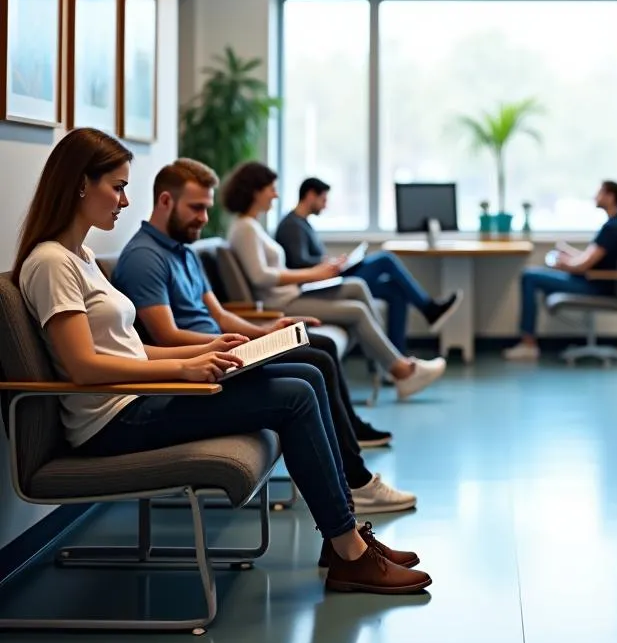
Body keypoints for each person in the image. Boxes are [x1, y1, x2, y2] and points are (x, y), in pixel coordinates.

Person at [15, 128, 432, 594]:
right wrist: (181, 368)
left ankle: (346, 538)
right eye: (118, 186)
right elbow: (84, 366)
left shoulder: (82, 256)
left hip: (140, 400)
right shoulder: (51, 263)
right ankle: (348, 551)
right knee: (293, 396)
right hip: (116, 420)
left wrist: (207, 349)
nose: (125, 201)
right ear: (79, 184)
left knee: (307, 373)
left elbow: (127, 348)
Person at [112, 158, 414, 515]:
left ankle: (354, 477)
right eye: (196, 208)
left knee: (316, 348)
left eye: (207, 209)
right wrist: (224, 344)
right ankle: (356, 480)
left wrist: (266, 332)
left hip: (224, 351)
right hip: (206, 364)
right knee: (316, 358)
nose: (204, 219)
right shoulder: (145, 258)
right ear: (165, 202)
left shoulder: (184, 251)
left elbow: (220, 315)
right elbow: (166, 336)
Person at [222, 162, 446, 401]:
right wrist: (312, 274)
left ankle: (390, 362)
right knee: (357, 311)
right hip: (281, 303)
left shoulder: (252, 226)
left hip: (292, 294)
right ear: (255, 190)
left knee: (357, 286)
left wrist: (319, 271)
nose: (275, 194)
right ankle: (401, 370)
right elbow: (260, 277)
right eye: (271, 189)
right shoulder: (245, 228)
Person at [275, 176, 462, 353]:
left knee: (396, 291)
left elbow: (308, 259)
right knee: (385, 259)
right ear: (310, 195)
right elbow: (298, 263)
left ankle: (397, 357)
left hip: (329, 278)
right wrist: (329, 264)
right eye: (323, 199)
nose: (325, 204)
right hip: (319, 286)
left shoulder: (302, 224)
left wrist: (333, 261)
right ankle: (428, 309)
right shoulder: (292, 225)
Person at [503, 180, 617, 362]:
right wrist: (568, 254)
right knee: (533, 275)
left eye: (600, 192)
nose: (595, 196)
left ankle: (528, 344)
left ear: (610, 197)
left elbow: (584, 265)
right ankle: (528, 341)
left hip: (595, 286)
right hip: (593, 280)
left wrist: (562, 264)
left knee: (529, 276)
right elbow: (591, 258)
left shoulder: (613, 228)